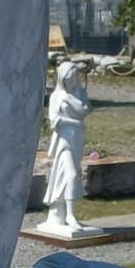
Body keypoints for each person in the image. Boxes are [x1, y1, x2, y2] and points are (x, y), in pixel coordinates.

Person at [37, 59, 89, 234]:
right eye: (69, 79)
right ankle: (70, 215)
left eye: (74, 78)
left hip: (77, 137)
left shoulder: (80, 92)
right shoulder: (56, 96)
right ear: (62, 79)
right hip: (64, 138)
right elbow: (55, 120)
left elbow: (85, 110)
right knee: (71, 174)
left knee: (72, 173)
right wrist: (74, 122)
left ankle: (65, 212)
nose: (72, 81)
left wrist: (70, 99)